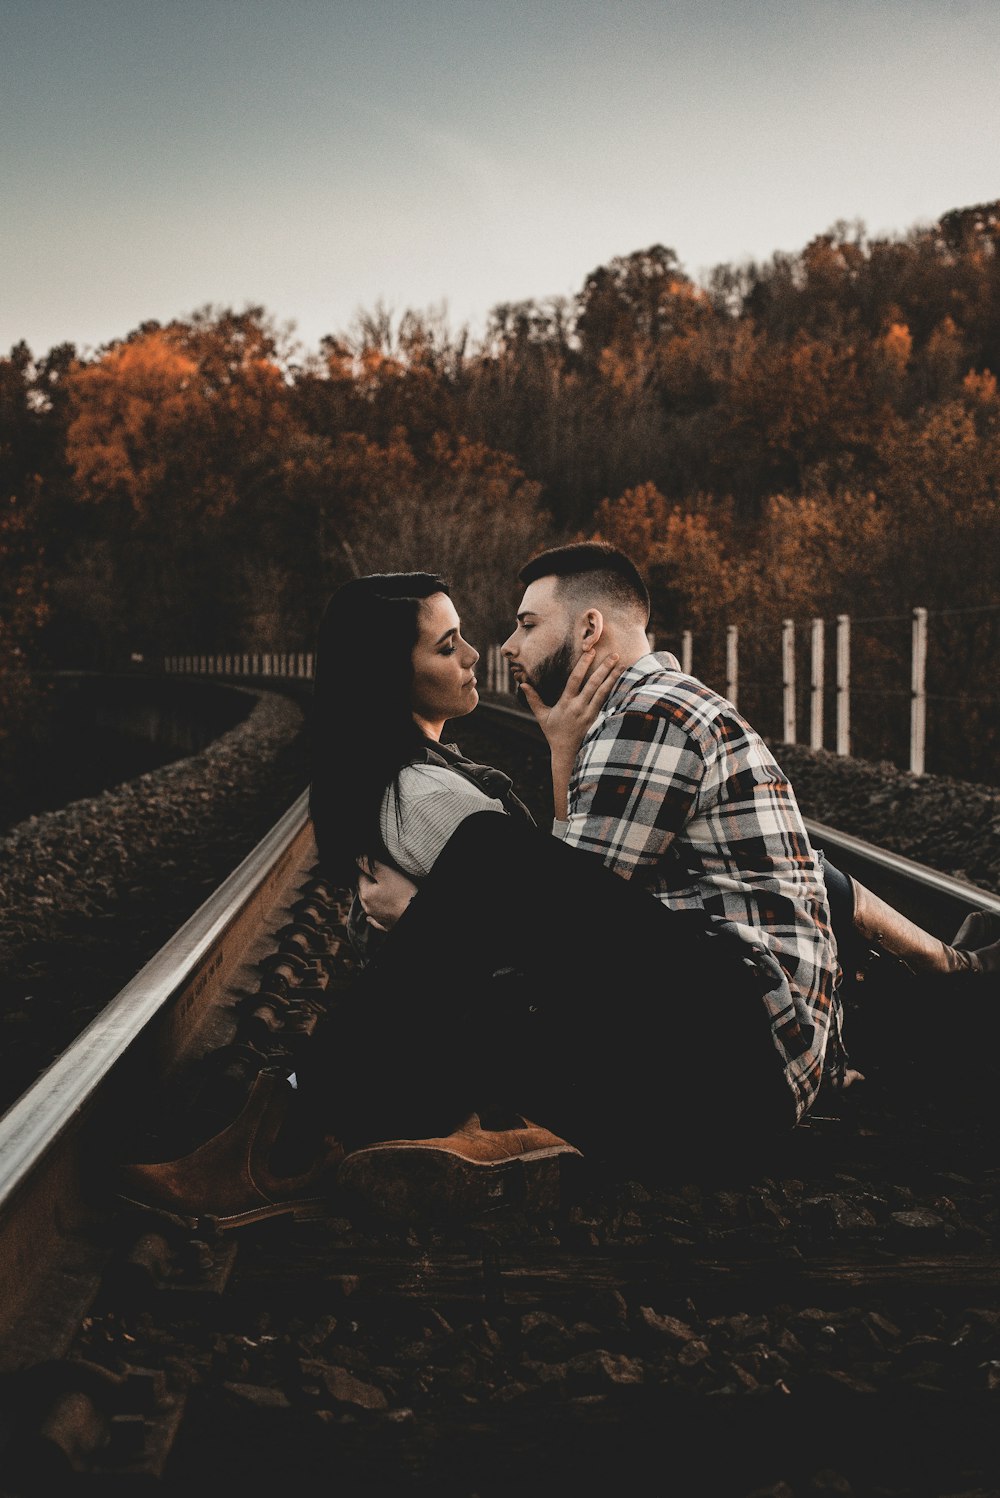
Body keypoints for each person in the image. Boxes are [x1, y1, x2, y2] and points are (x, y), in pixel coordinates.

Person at [118, 559, 1000, 1229]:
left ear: (585, 633)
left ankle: (302, 1123)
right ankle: (447, 1129)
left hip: (734, 1070)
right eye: (457, 639)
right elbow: (581, 922)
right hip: (716, 1082)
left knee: (490, 865)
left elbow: (569, 922)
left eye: (520, 623)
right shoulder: (612, 725)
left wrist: (450, 890)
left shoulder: (647, 717)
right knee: (493, 889)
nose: (498, 649)